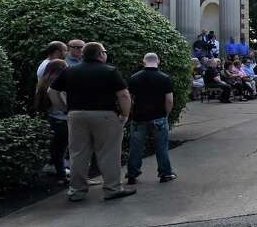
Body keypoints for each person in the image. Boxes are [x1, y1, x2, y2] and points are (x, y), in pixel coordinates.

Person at [48, 42, 135, 202]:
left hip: (76, 115)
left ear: (84, 54)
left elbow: (52, 91)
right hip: (105, 115)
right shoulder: (110, 71)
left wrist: (65, 108)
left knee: (78, 153)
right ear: (100, 54)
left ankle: (77, 191)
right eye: (104, 51)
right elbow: (124, 95)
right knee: (109, 153)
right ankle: (112, 189)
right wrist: (125, 114)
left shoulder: (70, 71)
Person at [126, 53, 176, 185]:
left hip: (138, 117)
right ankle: (165, 173)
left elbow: (129, 99)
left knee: (136, 147)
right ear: (158, 61)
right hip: (158, 116)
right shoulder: (164, 78)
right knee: (161, 146)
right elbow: (169, 100)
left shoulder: (134, 78)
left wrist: (131, 113)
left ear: (143, 62)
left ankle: (132, 174)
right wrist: (165, 114)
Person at [35, 58, 69, 180]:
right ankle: (62, 176)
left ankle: (60, 174)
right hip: (64, 120)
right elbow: (64, 104)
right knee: (62, 150)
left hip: (52, 118)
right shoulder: (59, 84)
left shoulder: (43, 82)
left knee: (56, 149)